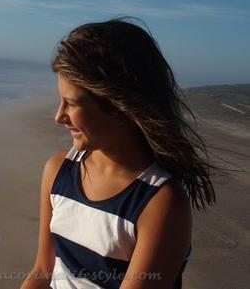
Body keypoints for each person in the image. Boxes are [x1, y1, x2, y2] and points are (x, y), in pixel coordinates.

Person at [21, 17, 217, 289]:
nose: (58, 116)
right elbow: (43, 270)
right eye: (59, 101)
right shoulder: (57, 171)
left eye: (71, 103)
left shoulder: (158, 202)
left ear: (119, 107)